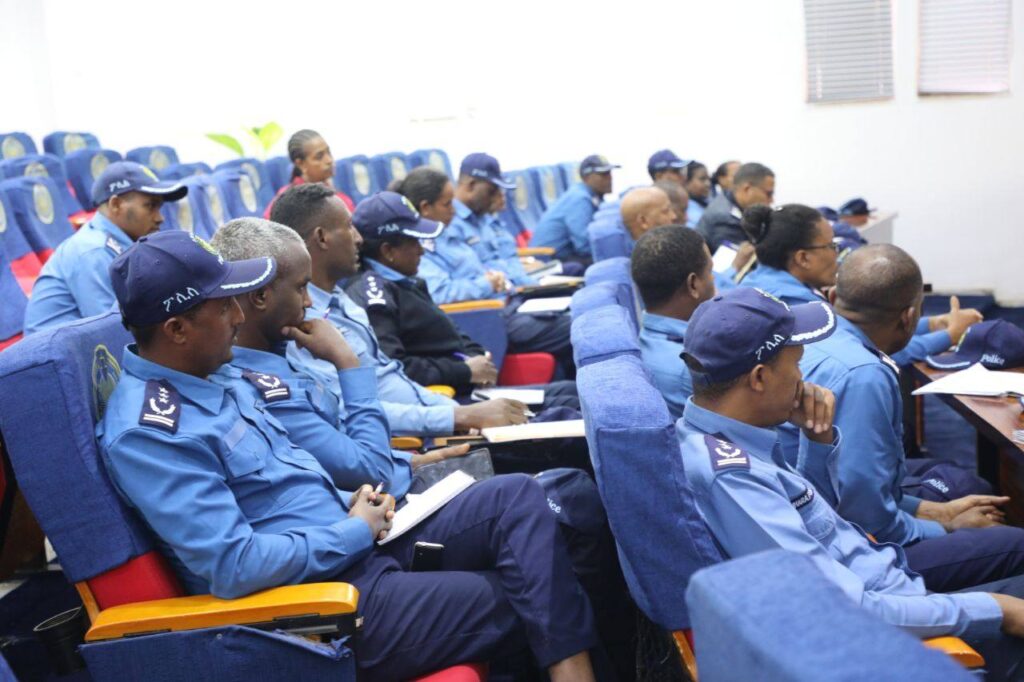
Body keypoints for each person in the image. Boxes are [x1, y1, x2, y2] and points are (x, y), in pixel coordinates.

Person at [96, 230, 599, 682]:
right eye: (224, 306)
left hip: (359, 540)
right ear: (177, 329)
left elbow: (291, 479)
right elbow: (234, 564)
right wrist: (354, 529)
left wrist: (352, 502)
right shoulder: (151, 434)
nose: (238, 316)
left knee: (515, 499)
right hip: (323, 603)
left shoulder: (215, 375)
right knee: (531, 593)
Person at [676, 287, 1024, 678]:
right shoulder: (731, 476)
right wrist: (997, 609)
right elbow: (842, 607)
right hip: (893, 633)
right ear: (759, 378)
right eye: (796, 364)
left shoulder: (731, 436)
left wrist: (817, 440)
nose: (802, 378)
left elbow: (816, 519)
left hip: (889, 585)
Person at [788, 245, 1024, 592]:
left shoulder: (816, 338)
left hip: (804, 523)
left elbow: (866, 489)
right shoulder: (865, 375)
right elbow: (868, 520)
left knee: (963, 490)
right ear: (909, 317)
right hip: (847, 556)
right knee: (1017, 544)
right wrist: (944, 527)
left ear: (834, 296)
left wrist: (939, 512)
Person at [269, 183, 529, 437]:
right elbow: (347, 412)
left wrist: (460, 412)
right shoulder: (305, 323)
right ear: (322, 238)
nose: (359, 239)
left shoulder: (340, 300)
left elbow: (392, 379)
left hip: (436, 420)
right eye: (348, 227)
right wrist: (458, 416)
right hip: (408, 443)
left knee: (537, 420)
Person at [341, 191, 582, 410]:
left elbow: (454, 336)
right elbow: (396, 370)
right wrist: (464, 370)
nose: (422, 251)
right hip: (450, 405)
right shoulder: (374, 297)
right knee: (569, 404)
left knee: (571, 392)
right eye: (414, 242)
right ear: (388, 251)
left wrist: (478, 357)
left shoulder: (406, 282)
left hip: (470, 390)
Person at [739, 204, 980, 365]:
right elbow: (869, 349)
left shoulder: (763, 282)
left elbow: (866, 326)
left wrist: (933, 324)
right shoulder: (796, 306)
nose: (837, 255)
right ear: (803, 258)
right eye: (831, 246)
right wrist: (948, 336)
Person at [417, 154, 575, 376]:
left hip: (510, 300)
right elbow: (442, 292)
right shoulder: (437, 236)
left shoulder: (477, 220)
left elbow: (496, 263)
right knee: (579, 327)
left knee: (578, 309)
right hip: (491, 314)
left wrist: (523, 283)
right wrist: (490, 284)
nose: (498, 197)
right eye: (492, 190)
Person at [23, 161, 186, 334]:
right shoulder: (93, 251)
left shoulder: (124, 246)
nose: (160, 218)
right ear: (116, 205)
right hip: (57, 349)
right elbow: (112, 331)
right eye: (151, 206)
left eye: (159, 207)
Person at [396, 166, 535, 288]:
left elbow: (478, 268)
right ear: (425, 207)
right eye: (447, 204)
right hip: (483, 306)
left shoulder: (446, 235)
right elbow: (439, 291)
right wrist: (487, 284)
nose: (453, 210)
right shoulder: (417, 247)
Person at [632, 226, 717, 419]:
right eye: (710, 272)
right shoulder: (691, 369)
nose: (713, 279)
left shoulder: (648, 337)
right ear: (693, 284)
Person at [530, 155, 619, 264]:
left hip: (566, 254)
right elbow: (583, 244)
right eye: (603, 174)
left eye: (609, 173)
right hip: (549, 259)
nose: (610, 178)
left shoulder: (594, 197)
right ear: (587, 177)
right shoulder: (580, 198)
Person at [263, 129, 355, 218]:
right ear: (300, 164)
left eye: (329, 152)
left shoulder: (337, 194)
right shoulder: (287, 201)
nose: (329, 160)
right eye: (319, 157)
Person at [696, 162, 775, 250]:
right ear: (747, 189)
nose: (772, 200)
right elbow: (743, 258)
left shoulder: (729, 198)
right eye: (768, 194)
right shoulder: (724, 218)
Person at [683, 161, 712, 229]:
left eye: (708, 179)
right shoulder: (685, 208)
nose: (708, 184)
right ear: (687, 182)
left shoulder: (708, 203)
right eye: (702, 179)